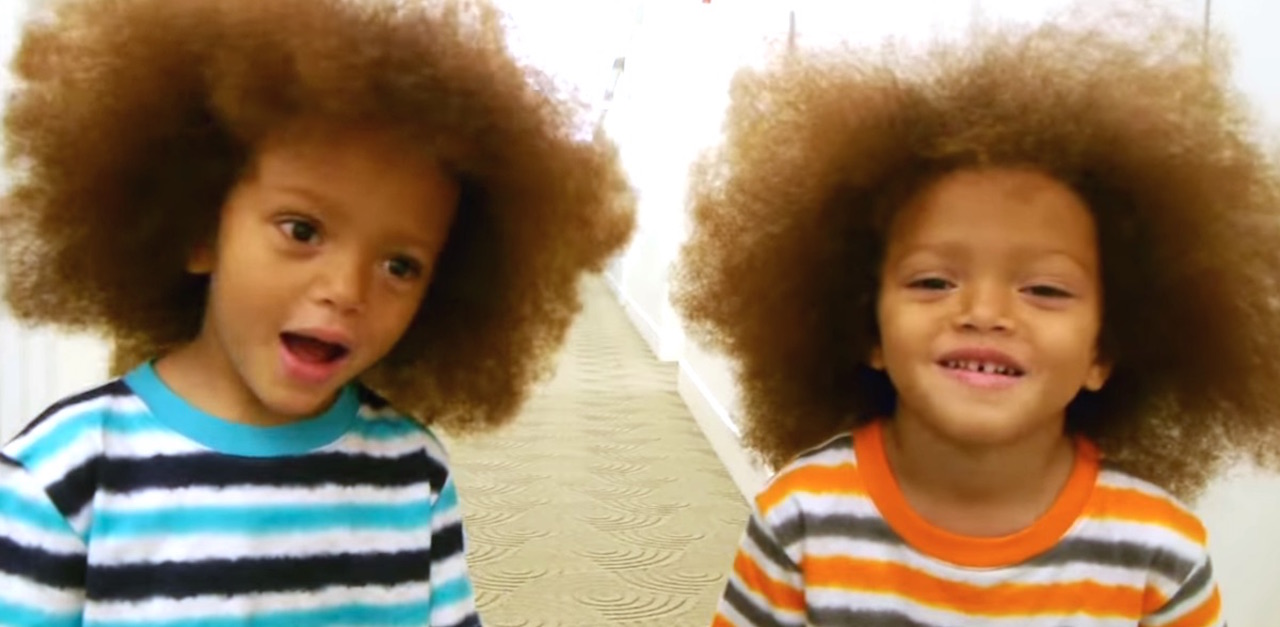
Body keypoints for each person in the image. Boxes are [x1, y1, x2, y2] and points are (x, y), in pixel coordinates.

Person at [0, 0, 635, 625]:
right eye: (302, 230)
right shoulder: (60, 478)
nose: (347, 289)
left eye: (400, 265)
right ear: (197, 226)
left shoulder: (413, 472)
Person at [673, 4, 1280, 626]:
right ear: (868, 326)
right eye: (933, 281)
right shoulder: (798, 519)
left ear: (1103, 350)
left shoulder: (1159, 555)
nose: (984, 313)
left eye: (1044, 289)